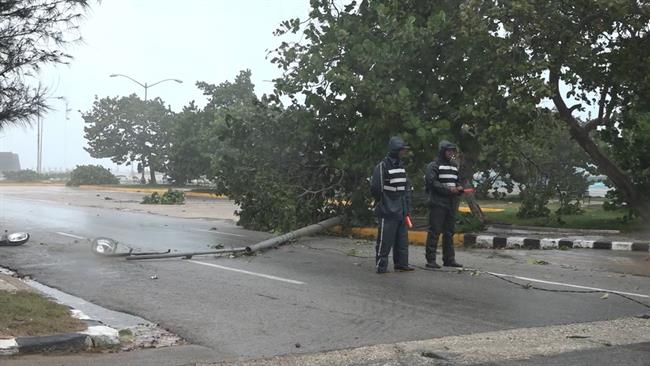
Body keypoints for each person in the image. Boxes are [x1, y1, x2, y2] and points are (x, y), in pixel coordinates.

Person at [370, 136, 415, 274]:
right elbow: (376, 188)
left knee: (402, 239)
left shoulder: (401, 166)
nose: (403, 152)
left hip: (401, 209)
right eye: (402, 150)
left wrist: (406, 208)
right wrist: (384, 204)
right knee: (385, 240)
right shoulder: (382, 166)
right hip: (388, 209)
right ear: (395, 150)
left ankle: (401, 264)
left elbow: (405, 187)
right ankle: (381, 265)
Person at [424, 140, 463, 268]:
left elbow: (456, 181)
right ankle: (431, 260)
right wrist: (448, 189)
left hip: (451, 203)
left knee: (449, 232)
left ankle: (449, 259)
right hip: (437, 202)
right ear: (442, 151)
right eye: (448, 150)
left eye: (452, 150)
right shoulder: (434, 165)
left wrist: (459, 188)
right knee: (434, 231)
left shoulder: (453, 166)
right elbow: (432, 183)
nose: (451, 153)